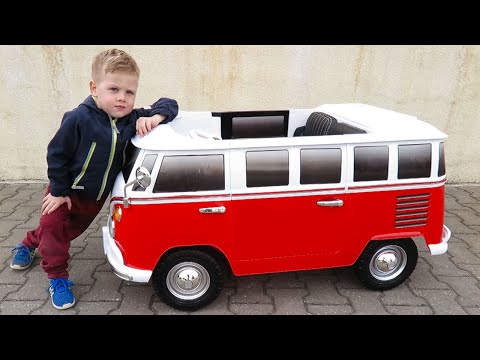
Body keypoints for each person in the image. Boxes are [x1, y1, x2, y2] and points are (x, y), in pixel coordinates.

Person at [9, 48, 179, 310]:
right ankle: (57, 277)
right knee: (55, 233)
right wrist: (58, 190)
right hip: (64, 193)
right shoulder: (78, 118)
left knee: (69, 232)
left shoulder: (130, 119)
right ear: (94, 88)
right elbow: (57, 153)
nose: (122, 98)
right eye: (114, 89)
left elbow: (170, 103)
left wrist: (154, 117)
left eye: (129, 92)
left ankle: (29, 242)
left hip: (95, 198)